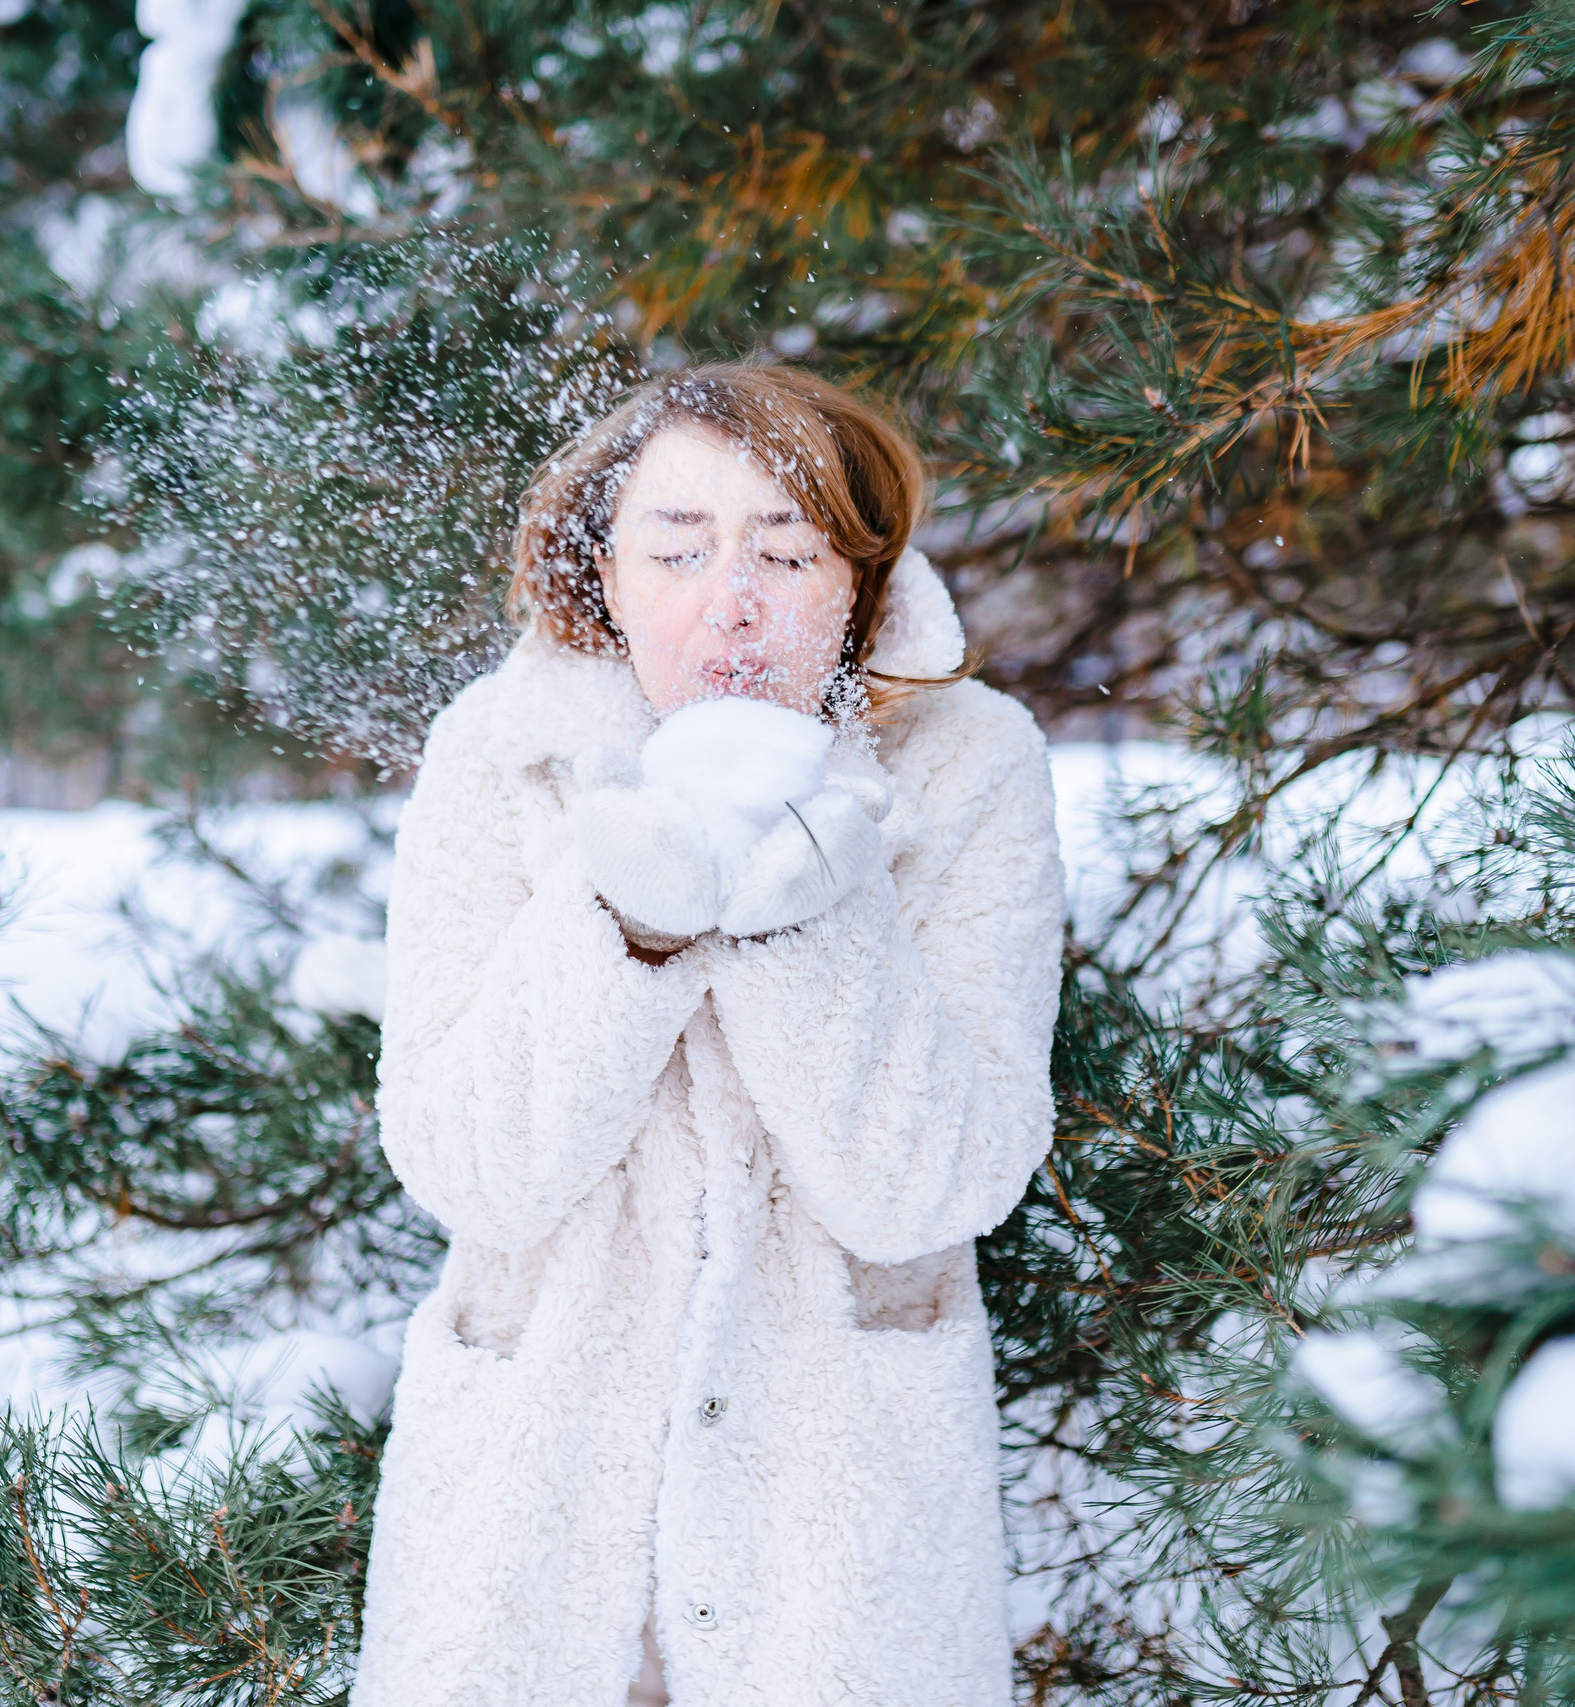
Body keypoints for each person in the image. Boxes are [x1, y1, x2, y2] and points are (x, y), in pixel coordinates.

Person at [351, 362, 1065, 1707]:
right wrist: (631, 922)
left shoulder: (967, 764)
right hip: (531, 1536)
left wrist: (807, 910)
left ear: (857, 583)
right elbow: (470, 1167)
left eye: (787, 552)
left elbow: (940, 1184)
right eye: (677, 549)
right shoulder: (500, 753)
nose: (732, 600)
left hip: (833, 1547)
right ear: (601, 575)